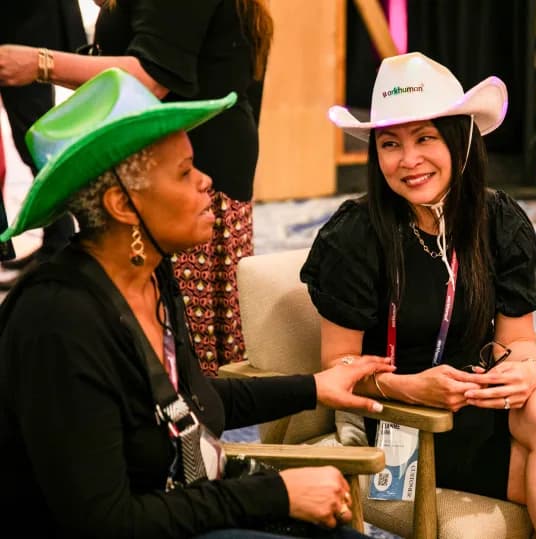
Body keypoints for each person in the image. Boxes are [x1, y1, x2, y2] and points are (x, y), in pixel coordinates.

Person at [0, 68, 393, 538]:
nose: (207, 181)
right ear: (122, 205)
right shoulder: (58, 321)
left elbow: (193, 401)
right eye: (185, 172)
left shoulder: (152, 276)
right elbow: (106, 520)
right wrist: (276, 493)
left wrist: (315, 388)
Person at [300, 52, 536, 538]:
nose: (409, 160)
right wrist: (411, 387)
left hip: (483, 398)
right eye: (390, 144)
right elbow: (337, 368)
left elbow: (519, 342)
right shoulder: (354, 235)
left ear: (460, 140)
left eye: (425, 138)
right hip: (406, 418)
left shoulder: (499, 220)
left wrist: (523, 369)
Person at [0, 0, 273, 372]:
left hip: (177, 167)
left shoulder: (187, 179)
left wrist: (39, 63)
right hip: (182, 161)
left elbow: (152, 75)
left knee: (181, 354)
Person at [0, 0, 87, 289]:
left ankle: (61, 241)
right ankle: (56, 236)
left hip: (26, 26)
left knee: (35, 139)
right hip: (22, 23)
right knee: (30, 137)